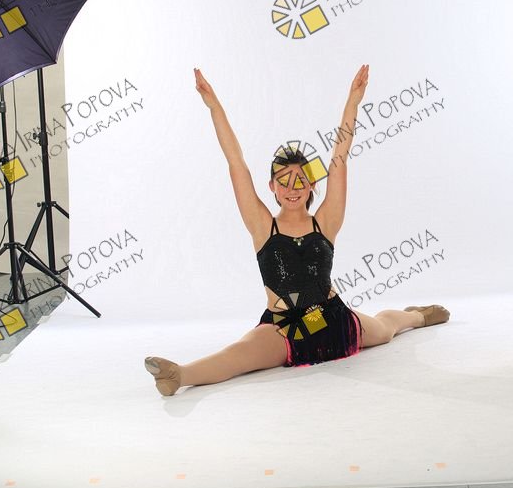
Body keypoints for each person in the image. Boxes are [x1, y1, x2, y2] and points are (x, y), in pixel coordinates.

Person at [145, 65, 449, 396]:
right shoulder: (263, 226)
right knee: (240, 355)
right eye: (284, 181)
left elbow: (340, 160)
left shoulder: (325, 222)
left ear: (312, 185)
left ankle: (416, 317)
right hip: (286, 329)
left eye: (301, 180)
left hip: (331, 319)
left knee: (385, 330)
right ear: (272, 186)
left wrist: (353, 102)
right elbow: (236, 163)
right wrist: (214, 106)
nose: (293, 189)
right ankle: (178, 374)